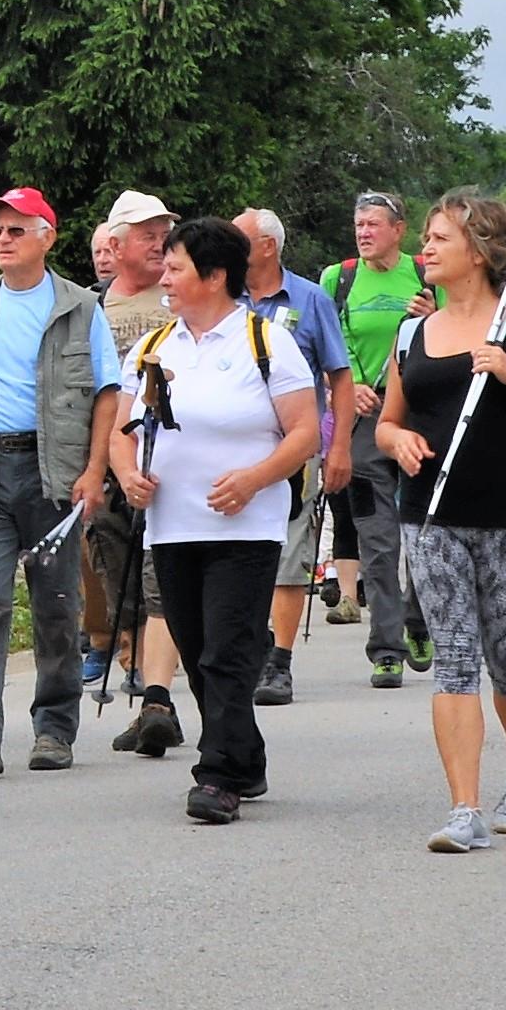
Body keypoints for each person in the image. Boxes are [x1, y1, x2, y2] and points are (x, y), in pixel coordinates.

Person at [375, 193, 506, 850]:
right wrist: (397, 442)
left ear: (480, 250)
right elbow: (387, 422)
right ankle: (465, 808)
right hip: (430, 517)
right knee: (455, 659)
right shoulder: (413, 333)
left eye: (439, 238)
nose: (425, 249)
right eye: (426, 237)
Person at [110, 218, 318, 824]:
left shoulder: (265, 341)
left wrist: (255, 478)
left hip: (246, 528)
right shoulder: (154, 348)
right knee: (199, 649)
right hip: (171, 527)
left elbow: (304, 431)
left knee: (227, 651)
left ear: (215, 276)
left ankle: (218, 775)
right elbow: (123, 431)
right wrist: (127, 475)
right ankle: (245, 756)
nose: (165, 279)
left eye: (175, 268)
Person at [0, 188, 121, 777]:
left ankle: (54, 729)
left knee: (56, 605)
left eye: (16, 230)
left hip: (53, 473)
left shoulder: (80, 306)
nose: (3, 240)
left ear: (47, 238)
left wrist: (95, 470)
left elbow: (107, 393)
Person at [236, 210, 354, 709]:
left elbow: (340, 376)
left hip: (294, 448)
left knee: (290, 552)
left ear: (267, 245)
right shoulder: (223, 297)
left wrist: (339, 445)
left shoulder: (310, 299)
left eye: (238, 237)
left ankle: (279, 660)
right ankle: (251, 642)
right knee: (239, 554)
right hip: (233, 450)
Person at [87, 189, 187, 753]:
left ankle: (157, 697)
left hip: (170, 464)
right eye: (147, 235)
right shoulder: (90, 308)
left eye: (163, 235)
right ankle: (139, 675)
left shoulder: (181, 299)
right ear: (117, 244)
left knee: (159, 581)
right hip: (108, 465)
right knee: (116, 574)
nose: (158, 244)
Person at [319, 191, 430, 687]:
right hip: (364, 419)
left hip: (419, 418)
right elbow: (322, 345)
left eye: (373, 224)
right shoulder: (338, 278)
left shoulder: (426, 273)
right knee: (378, 541)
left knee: (425, 533)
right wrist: (344, 387)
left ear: (398, 230)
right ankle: (386, 648)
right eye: (359, 224)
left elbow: (458, 337)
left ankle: (418, 621)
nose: (363, 233)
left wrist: (432, 314)